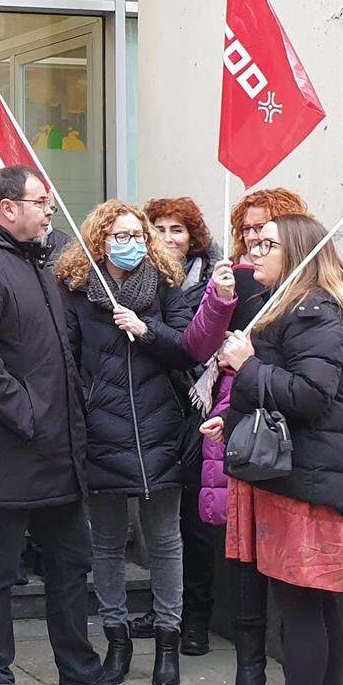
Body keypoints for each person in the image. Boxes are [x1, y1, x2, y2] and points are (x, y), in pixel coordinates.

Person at [0, 164, 149, 685]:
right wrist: (28, 414)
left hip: (58, 448)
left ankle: (79, 677)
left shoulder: (41, 262)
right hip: (7, 448)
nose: (50, 212)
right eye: (42, 202)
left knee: (69, 564)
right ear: (8, 208)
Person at [207, 214, 343, 685]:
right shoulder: (299, 309)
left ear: (299, 252)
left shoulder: (314, 312)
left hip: (309, 481)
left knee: (303, 606)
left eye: (268, 244)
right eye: (255, 242)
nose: (256, 252)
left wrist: (246, 364)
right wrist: (232, 416)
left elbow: (307, 396)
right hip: (309, 475)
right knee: (317, 604)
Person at [59, 202, 236, 685]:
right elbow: (69, 365)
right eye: (119, 234)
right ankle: (116, 639)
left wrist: (146, 329)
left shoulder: (166, 286)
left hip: (161, 429)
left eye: (137, 233)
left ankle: (167, 639)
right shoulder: (77, 294)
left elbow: (189, 348)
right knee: (108, 544)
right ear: (100, 241)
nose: (130, 241)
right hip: (103, 433)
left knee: (165, 542)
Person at [199, 185, 310, 685]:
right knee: (241, 556)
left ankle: (308, 681)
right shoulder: (234, 282)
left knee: (287, 560)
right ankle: (249, 670)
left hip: (296, 437)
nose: (251, 243)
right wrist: (218, 300)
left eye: (264, 235)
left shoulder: (314, 293)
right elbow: (196, 347)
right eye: (247, 232)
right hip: (239, 429)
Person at [144, 196, 226, 657]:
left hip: (201, 407)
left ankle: (195, 617)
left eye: (178, 229)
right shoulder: (141, 281)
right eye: (159, 227)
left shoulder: (215, 280)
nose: (168, 238)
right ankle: (162, 610)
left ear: (193, 238)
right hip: (159, 405)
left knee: (194, 522)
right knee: (160, 520)